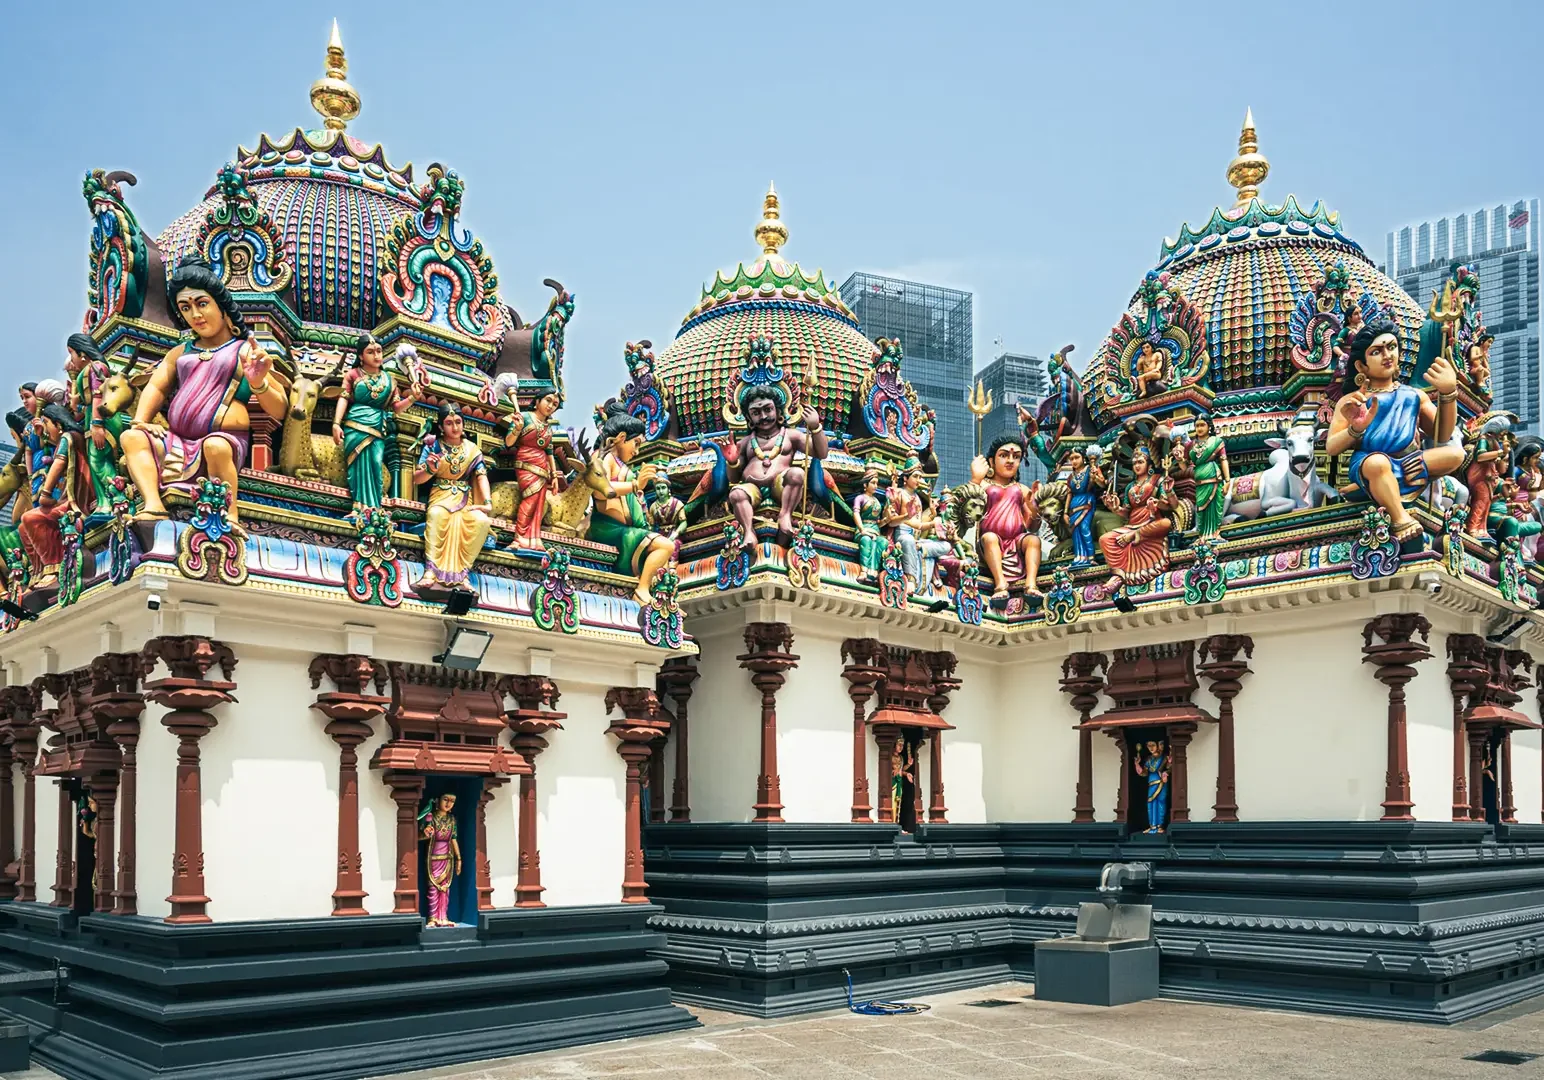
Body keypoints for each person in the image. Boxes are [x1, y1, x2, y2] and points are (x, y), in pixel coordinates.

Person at [118, 257, 287, 530]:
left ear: (221, 306)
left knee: (215, 446)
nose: (195, 315)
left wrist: (258, 382)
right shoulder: (180, 353)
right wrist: (141, 420)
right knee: (132, 437)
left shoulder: (243, 351)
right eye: (186, 308)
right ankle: (153, 504)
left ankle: (230, 515)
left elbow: (279, 409)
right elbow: (157, 387)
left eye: (202, 303)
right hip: (178, 443)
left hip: (225, 442)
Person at [1325, 319, 1462, 546]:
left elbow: (1442, 434)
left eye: (1391, 347)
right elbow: (1332, 447)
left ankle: (1383, 485)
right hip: (1370, 460)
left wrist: (1449, 393)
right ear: (1361, 366)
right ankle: (1400, 519)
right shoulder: (1352, 401)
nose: (1387, 355)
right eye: (1377, 352)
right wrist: (1355, 429)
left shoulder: (1414, 395)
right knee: (1378, 464)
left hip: (1409, 460)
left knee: (1456, 454)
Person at [586, 402, 676, 604]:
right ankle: (642, 590)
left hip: (623, 530)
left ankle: (644, 586)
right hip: (607, 528)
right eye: (636, 444)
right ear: (621, 438)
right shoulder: (603, 458)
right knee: (665, 546)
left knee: (663, 553)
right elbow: (601, 491)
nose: (637, 451)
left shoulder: (619, 464)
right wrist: (636, 485)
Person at [725, 386, 829, 549]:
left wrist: (815, 427)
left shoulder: (790, 435)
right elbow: (733, 479)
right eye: (756, 413)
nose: (764, 416)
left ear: (779, 411)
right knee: (737, 493)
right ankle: (748, 531)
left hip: (780, 486)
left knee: (796, 474)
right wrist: (731, 462)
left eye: (768, 409)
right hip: (752, 489)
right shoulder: (746, 442)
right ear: (749, 417)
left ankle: (785, 515)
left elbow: (821, 453)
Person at [331, 332, 421, 514]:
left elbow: (396, 408)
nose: (377, 355)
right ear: (360, 356)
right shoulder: (353, 375)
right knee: (357, 466)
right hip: (355, 426)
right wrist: (336, 423)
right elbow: (343, 398)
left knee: (375, 463)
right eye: (371, 352)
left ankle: (374, 507)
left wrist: (412, 398)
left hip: (378, 428)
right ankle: (359, 506)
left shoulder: (389, 380)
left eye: (379, 351)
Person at [413, 403, 492, 592]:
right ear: (441, 427)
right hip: (441, 496)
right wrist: (431, 469)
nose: (455, 427)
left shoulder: (472, 449)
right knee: (436, 515)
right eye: (449, 423)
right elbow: (416, 479)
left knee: (481, 521)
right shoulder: (434, 446)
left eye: (458, 422)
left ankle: (463, 574)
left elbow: (481, 476)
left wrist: (487, 503)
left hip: (465, 500)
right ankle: (431, 572)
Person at [18, 403, 94, 588]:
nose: (44, 431)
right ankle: (39, 571)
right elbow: (49, 444)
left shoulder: (68, 438)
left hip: (76, 502)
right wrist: (40, 432)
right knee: (22, 528)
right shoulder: (67, 438)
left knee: (31, 518)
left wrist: (45, 493)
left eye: (46, 424)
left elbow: (59, 463)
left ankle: (54, 568)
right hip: (65, 499)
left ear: (58, 425)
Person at [1098, 443, 1176, 603]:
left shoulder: (1157, 480)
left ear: (1149, 464)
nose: (1137, 466)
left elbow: (1170, 505)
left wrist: (1159, 502)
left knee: (1166, 523)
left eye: (1140, 462)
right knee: (1104, 539)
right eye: (1134, 463)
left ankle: (1135, 536)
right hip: (1131, 525)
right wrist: (1114, 507)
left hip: (1151, 522)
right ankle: (1118, 575)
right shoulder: (1130, 487)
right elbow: (1126, 512)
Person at [969, 433, 1042, 599]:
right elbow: (966, 505)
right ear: (991, 461)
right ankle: (1000, 583)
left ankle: (1030, 584)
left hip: (1016, 542)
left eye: (1016, 457)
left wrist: (1035, 511)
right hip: (991, 542)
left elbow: (1032, 527)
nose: (1010, 460)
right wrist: (975, 480)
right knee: (989, 538)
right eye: (1003, 455)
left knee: (1034, 540)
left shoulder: (1021, 489)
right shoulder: (984, 485)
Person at [498, 387, 563, 550]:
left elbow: (549, 451)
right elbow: (509, 442)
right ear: (537, 401)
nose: (551, 406)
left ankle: (534, 539)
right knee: (530, 499)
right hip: (526, 462)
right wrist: (518, 428)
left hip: (543, 467)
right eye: (548, 400)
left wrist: (554, 476)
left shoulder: (548, 427)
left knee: (540, 503)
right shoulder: (525, 417)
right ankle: (519, 537)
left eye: (555, 404)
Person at [64, 334, 123, 509]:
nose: (71, 358)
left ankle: (114, 500)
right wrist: (76, 406)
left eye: (71, 352)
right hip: (94, 417)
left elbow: (100, 396)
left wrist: (97, 424)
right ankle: (105, 500)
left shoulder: (97, 367)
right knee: (95, 460)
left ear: (82, 353)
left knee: (98, 461)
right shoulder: (89, 369)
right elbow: (89, 406)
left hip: (104, 419)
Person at [418, 793, 461, 928]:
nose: (448, 804)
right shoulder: (431, 817)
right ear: (438, 800)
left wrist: (459, 858)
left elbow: (453, 839)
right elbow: (419, 837)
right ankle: (432, 917)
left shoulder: (452, 820)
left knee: (445, 888)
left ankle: (443, 917)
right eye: (445, 800)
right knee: (433, 887)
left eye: (452, 801)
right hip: (433, 857)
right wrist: (425, 833)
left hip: (447, 858)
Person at [1186, 416, 1229, 537]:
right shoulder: (1190, 445)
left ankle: (1215, 534)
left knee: (1215, 506)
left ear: (1209, 426)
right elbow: (1184, 467)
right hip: (1199, 483)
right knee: (1200, 507)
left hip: (1214, 478)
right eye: (1197, 425)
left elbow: (1223, 460)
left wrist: (1228, 480)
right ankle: (1202, 536)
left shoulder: (1216, 441)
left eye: (1202, 425)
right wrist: (1179, 459)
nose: (1199, 428)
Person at [852, 468, 887, 583]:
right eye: (873, 483)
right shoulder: (860, 498)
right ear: (865, 485)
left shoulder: (877, 501)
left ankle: (874, 572)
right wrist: (862, 529)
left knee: (883, 543)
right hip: (864, 529)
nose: (875, 486)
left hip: (876, 531)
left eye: (877, 483)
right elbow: (856, 513)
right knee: (866, 541)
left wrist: (888, 519)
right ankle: (864, 571)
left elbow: (879, 522)